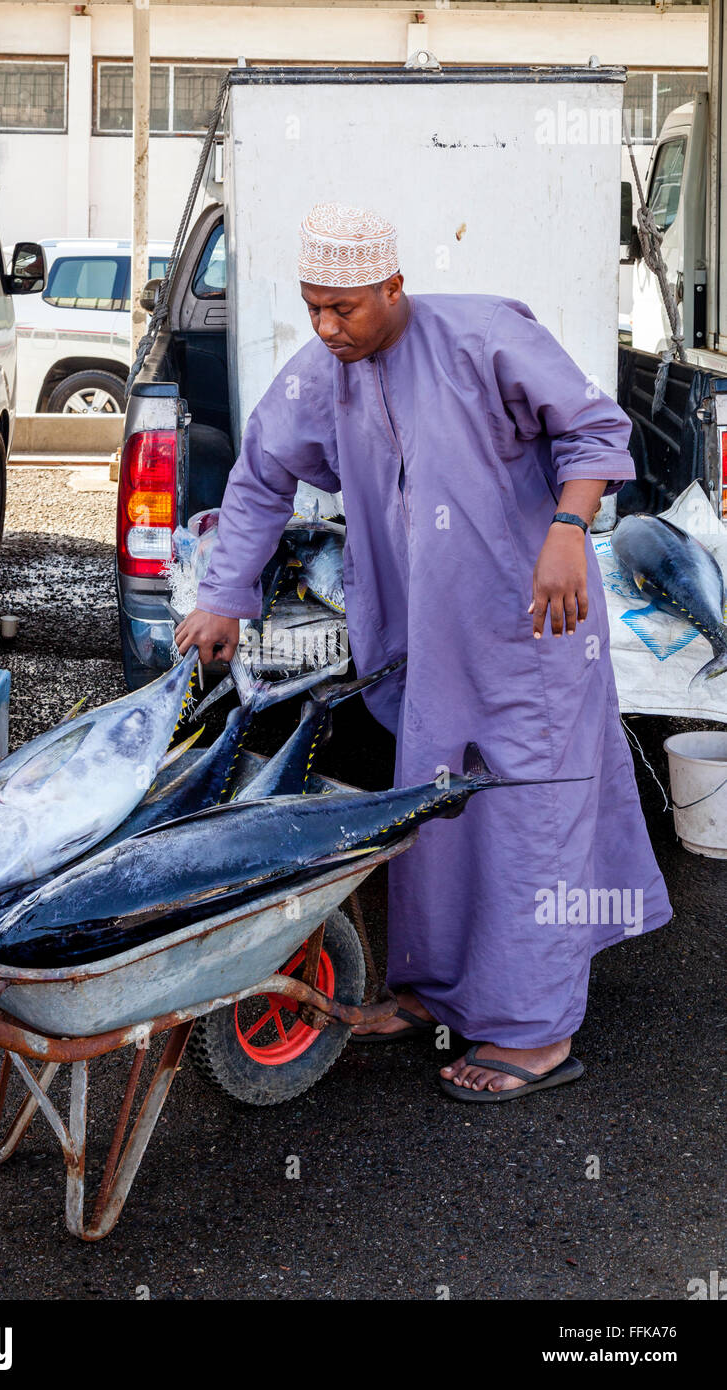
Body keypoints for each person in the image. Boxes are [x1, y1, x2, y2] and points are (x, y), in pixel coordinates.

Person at [175, 202, 671, 1101]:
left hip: (532, 631)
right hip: (426, 643)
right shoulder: (324, 373)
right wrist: (223, 596)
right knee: (433, 814)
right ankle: (433, 993)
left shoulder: (485, 337)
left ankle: (534, 1033)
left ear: (394, 287)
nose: (326, 328)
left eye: (343, 308)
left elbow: (595, 430)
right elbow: (260, 475)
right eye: (313, 308)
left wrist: (569, 528)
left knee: (528, 817)